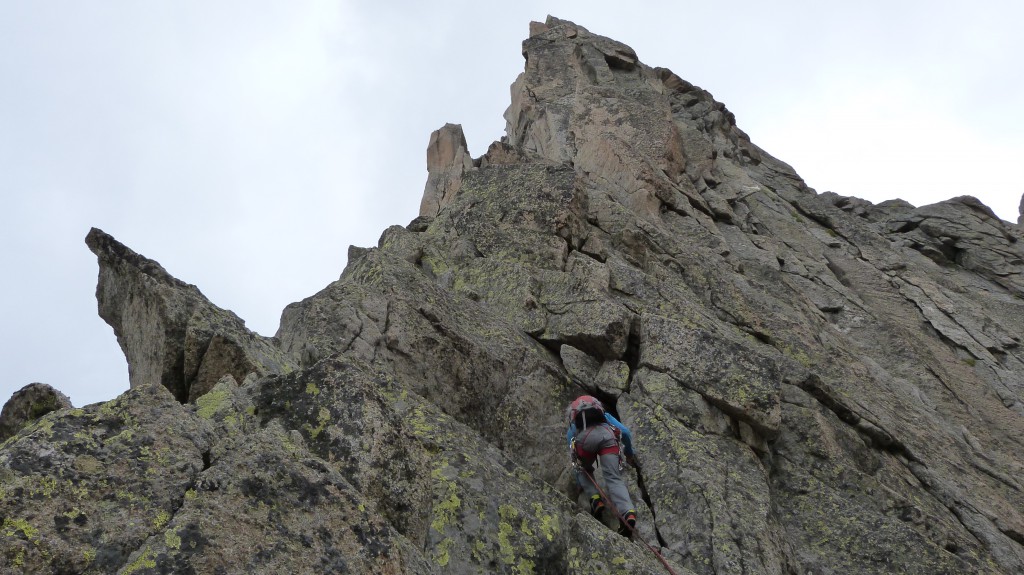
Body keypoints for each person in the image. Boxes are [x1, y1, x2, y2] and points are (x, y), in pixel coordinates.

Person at [566, 395, 638, 536]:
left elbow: (573, 451)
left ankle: (595, 499)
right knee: (614, 478)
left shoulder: (575, 423)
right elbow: (625, 432)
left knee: (582, 468)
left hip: (585, 441)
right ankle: (628, 512)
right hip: (607, 437)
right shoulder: (605, 416)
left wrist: (580, 480)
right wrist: (629, 453)